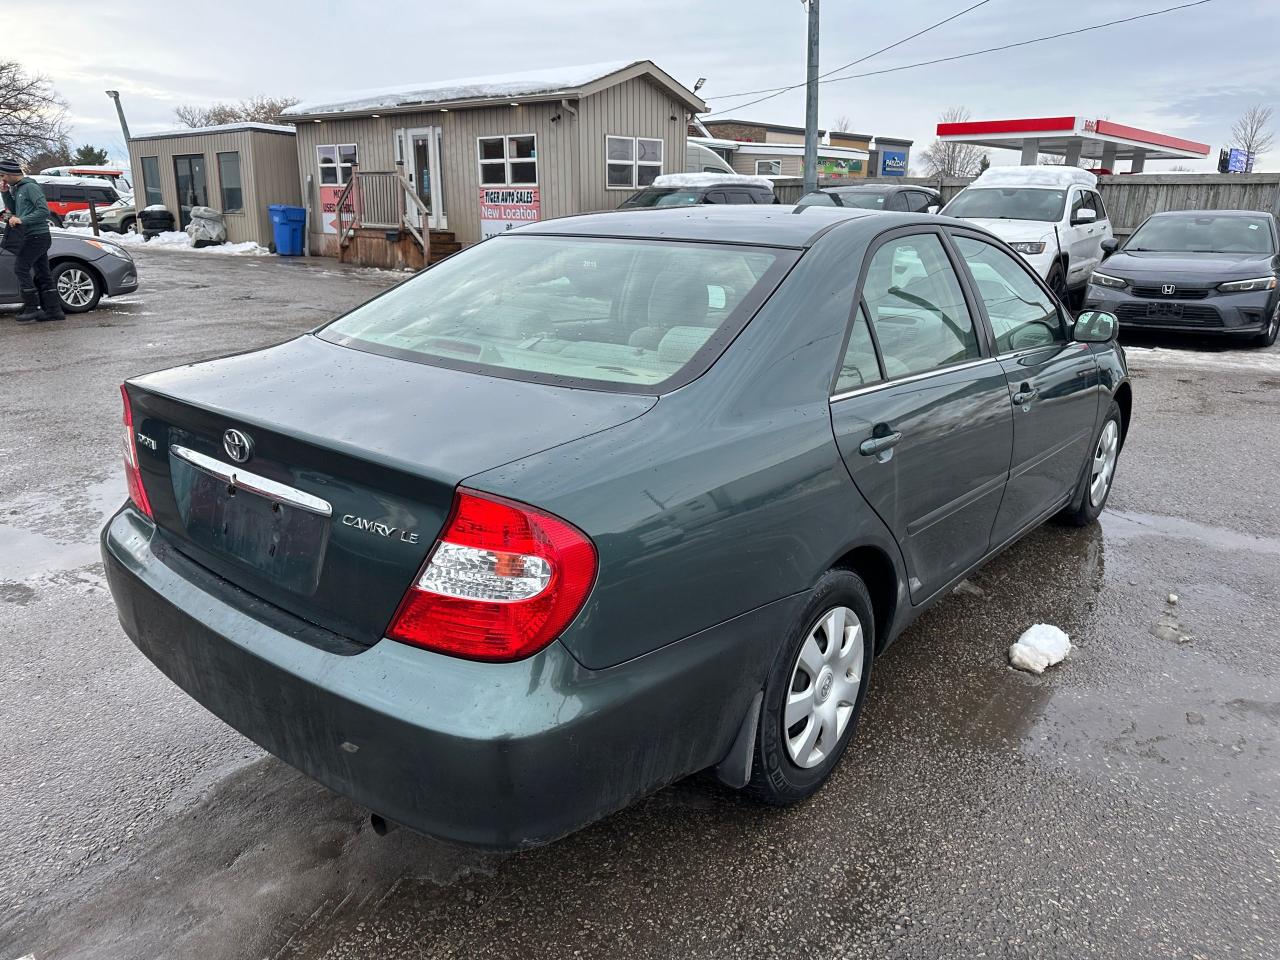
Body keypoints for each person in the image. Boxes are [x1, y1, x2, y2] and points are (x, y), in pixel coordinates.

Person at [1, 158, 64, 323]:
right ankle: (54, 310)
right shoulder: (19, 189)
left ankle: (32, 307)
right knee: (43, 272)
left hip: (38, 236)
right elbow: (16, 209)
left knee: (21, 268)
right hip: (31, 236)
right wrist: (5, 193)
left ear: (9, 173)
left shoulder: (30, 187)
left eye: (2, 176)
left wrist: (22, 220)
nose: (2, 179)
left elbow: (44, 211)